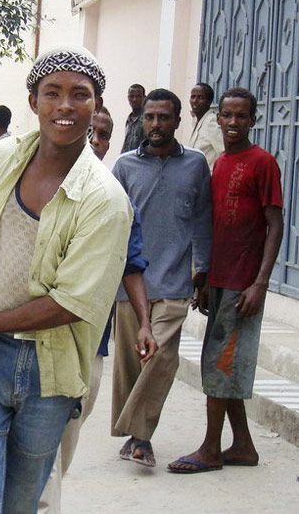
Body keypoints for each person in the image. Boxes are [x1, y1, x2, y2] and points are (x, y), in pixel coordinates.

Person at [0, 46, 133, 513]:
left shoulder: (106, 201)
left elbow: (69, 304)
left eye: (80, 95)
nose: (65, 105)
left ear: (96, 106)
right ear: (33, 101)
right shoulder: (5, 157)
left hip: (51, 367)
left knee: (21, 505)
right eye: (52, 93)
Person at [38, 105, 158, 514]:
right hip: (27, 338)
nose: (94, 140)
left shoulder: (114, 200)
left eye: (103, 134)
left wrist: (144, 323)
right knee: (40, 458)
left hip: (87, 346)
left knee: (61, 450)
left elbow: (131, 265)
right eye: (90, 130)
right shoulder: (32, 184)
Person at [168, 87, 284, 474]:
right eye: (227, 115)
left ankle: (211, 450)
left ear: (253, 120)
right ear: (218, 119)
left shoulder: (263, 163)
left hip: (243, 285)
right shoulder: (218, 164)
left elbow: (275, 224)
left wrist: (260, 283)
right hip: (219, 280)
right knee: (221, 364)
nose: (233, 122)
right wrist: (204, 279)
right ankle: (244, 446)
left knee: (220, 365)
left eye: (241, 116)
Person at [110, 88, 212, 468]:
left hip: (174, 282)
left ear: (177, 121)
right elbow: (110, 223)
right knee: (131, 364)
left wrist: (203, 269)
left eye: (163, 118)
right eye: (149, 117)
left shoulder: (196, 164)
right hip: (129, 281)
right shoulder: (124, 166)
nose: (155, 124)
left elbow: (202, 219)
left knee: (161, 358)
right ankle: (134, 437)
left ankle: (140, 436)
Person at [188, 82, 224, 171]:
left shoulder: (211, 122)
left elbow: (224, 152)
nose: (195, 101)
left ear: (209, 101)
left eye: (200, 97)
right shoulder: (196, 121)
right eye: (193, 97)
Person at [120, 83, 146, 152]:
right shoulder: (129, 120)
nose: (134, 99)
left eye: (138, 96)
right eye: (131, 96)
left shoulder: (146, 120)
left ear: (144, 98)